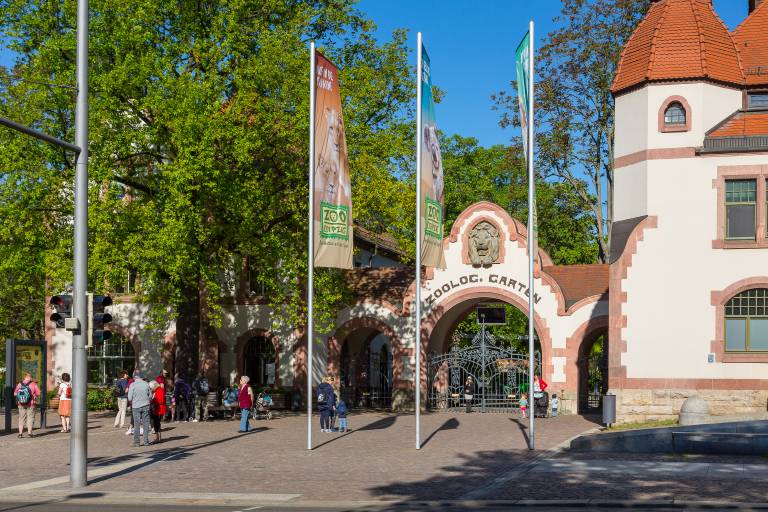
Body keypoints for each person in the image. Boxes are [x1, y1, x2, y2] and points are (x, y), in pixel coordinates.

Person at [127, 370, 152, 447]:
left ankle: (137, 442)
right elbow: (150, 396)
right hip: (146, 405)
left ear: (134, 376)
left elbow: (129, 397)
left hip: (136, 406)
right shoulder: (146, 384)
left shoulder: (132, 385)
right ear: (141, 376)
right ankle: (146, 441)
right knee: (146, 423)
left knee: (136, 424)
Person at [14, 373, 41, 438]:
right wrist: (34, 395)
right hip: (31, 404)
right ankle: (29, 433)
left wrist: (20, 397)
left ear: (24, 377)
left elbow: (15, 393)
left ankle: (20, 434)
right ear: (30, 377)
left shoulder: (20, 384)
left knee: (21, 418)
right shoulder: (34, 384)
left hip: (21, 403)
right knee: (30, 418)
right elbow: (38, 393)